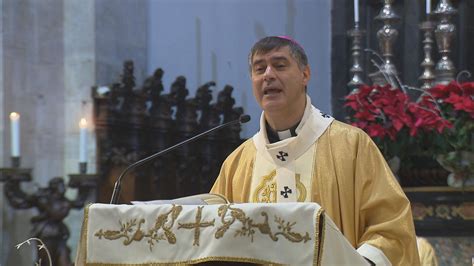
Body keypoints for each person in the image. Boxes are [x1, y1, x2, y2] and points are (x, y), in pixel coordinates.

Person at [211, 36, 420, 265]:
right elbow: (211, 237)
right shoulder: (237, 164)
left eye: (280, 65)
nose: (268, 75)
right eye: (259, 69)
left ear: (305, 74)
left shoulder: (351, 146)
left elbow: (391, 225)